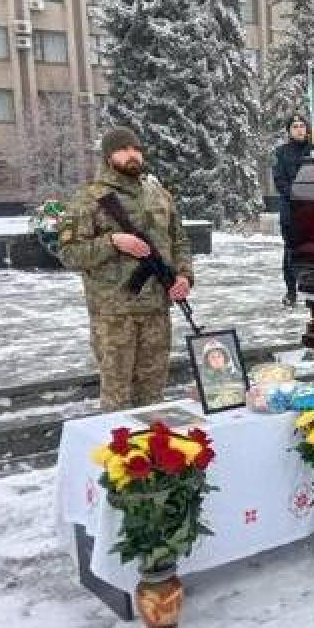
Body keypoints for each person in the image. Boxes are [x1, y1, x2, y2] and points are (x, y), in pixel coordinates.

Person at [59, 127, 194, 413]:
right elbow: (69, 254)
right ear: (109, 156)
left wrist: (184, 276)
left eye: (136, 149)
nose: (132, 154)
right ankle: (120, 443)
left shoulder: (158, 195)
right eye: (123, 149)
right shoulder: (89, 198)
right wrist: (113, 242)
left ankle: (153, 443)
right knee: (117, 398)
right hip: (114, 316)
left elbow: (179, 240)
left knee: (153, 395)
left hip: (156, 310)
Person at [272, 114, 314, 307]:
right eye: (295, 126)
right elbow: (280, 181)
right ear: (289, 131)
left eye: (302, 126)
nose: (299, 129)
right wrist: (297, 195)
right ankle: (291, 291)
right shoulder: (281, 153)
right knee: (291, 252)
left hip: (313, 211)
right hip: (291, 211)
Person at [199, 339, 246, 409]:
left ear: (224, 357)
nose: (216, 360)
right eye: (212, 357)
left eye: (219, 356)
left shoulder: (238, 375)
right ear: (207, 361)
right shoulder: (203, 380)